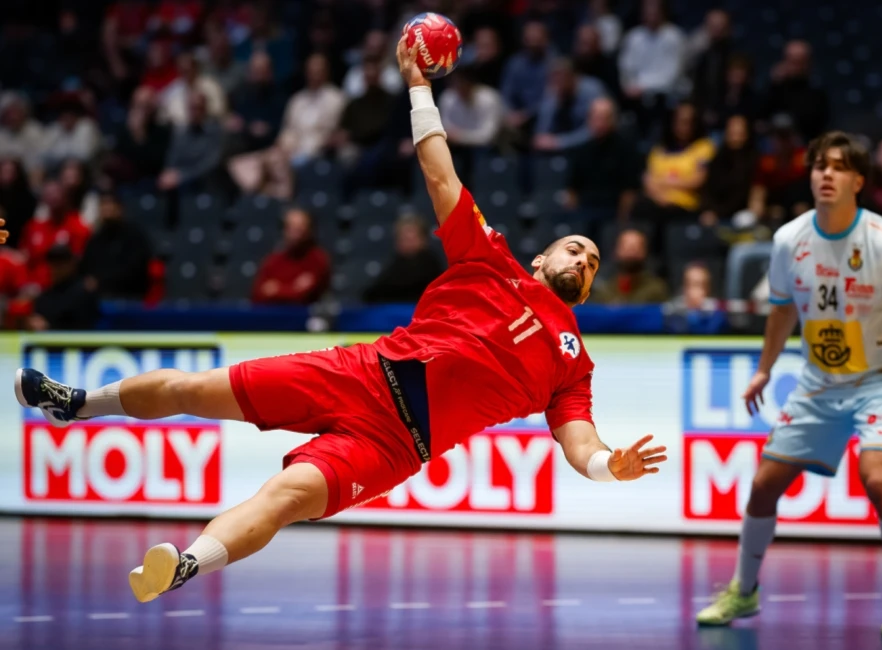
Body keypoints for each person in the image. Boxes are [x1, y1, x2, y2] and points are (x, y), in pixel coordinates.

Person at [13, 35, 669, 605]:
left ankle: (185, 563)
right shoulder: (491, 259)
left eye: (591, 260)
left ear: (586, 288)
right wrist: (418, 89)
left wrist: (612, 467)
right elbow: (441, 177)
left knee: (284, 497)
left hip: (391, 444)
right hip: (357, 373)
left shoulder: (571, 361)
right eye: (574, 246)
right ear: (541, 254)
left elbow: (580, 446)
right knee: (192, 390)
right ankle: (80, 404)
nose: (582, 257)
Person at [694, 131, 882, 637]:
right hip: (818, 383)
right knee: (762, 484)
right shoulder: (787, 240)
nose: (826, 174)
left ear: (858, 180)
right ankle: (743, 591)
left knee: (880, 479)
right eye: (819, 165)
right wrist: (764, 368)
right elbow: (781, 311)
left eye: (839, 167)